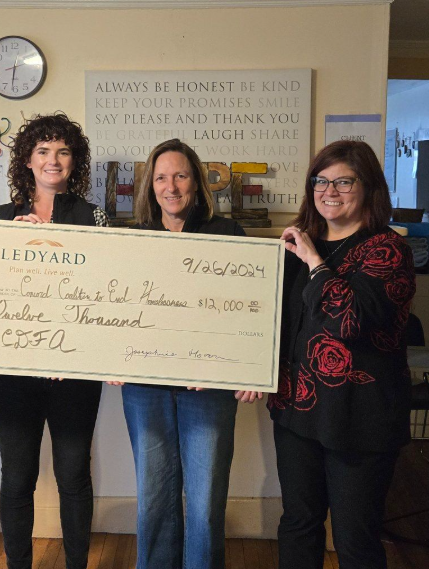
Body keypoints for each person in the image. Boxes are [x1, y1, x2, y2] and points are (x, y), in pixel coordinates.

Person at [109, 138, 262, 569]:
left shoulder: (228, 234)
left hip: (209, 389)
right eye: (161, 177)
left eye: (180, 175)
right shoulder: (134, 239)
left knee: (206, 503)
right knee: (153, 498)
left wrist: (252, 369)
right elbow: (115, 307)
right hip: (146, 388)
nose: (171, 186)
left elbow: (252, 307)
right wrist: (110, 356)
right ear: (150, 185)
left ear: (196, 181)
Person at [268, 140, 416, 569]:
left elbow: (350, 321)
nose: (329, 191)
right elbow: (278, 324)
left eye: (343, 182)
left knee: (355, 539)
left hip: (360, 418)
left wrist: (315, 262)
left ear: (369, 188)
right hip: (297, 411)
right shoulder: (301, 246)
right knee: (298, 523)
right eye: (321, 181)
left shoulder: (388, 250)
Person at [0, 112, 108, 569]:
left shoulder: (94, 217)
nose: (53, 160)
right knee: (18, 477)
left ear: (74, 161)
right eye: (43, 151)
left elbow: (105, 291)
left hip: (74, 372)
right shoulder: (2, 218)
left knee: (73, 474)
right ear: (27, 160)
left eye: (63, 151)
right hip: (14, 374)